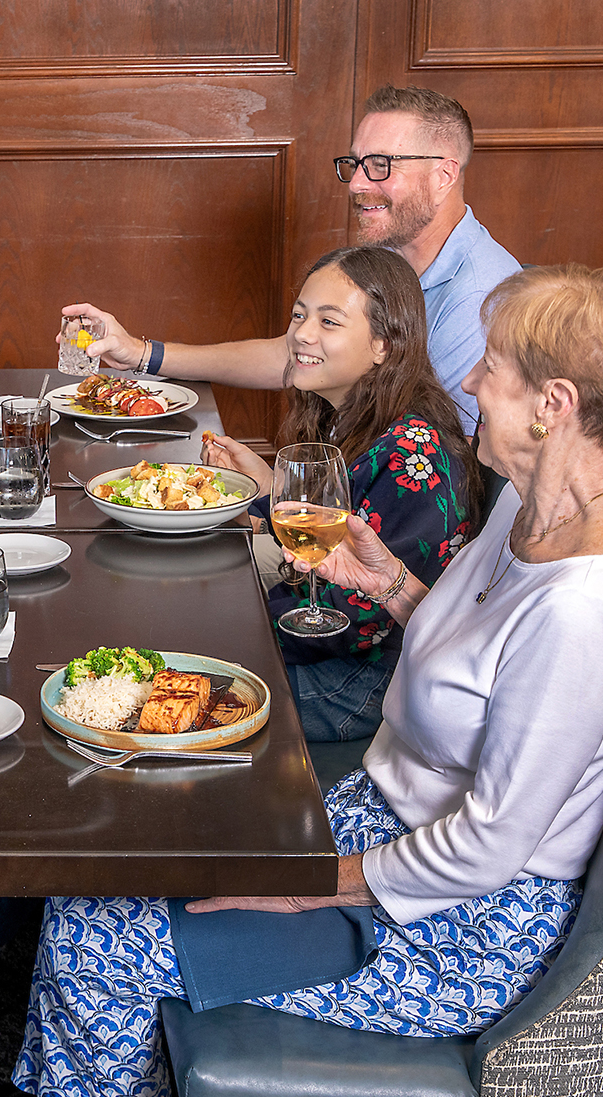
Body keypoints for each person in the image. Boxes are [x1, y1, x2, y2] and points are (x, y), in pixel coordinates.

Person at [13, 264, 603, 1097]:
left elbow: (489, 848)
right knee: (108, 867)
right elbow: (481, 670)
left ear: (553, 404)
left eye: (492, 367)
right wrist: (393, 586)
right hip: (382, 824)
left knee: (93, 931)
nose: (469, 381)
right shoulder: (534, 509)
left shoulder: (582, 610)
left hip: (450, 922)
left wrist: (308, 888)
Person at [66, 85, 521, 433]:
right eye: (356, 164)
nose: (356, 184)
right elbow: (293, 355)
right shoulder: (390, 251)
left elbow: (453, 462)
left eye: (381, 165)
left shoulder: (482, 296)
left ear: (444, 174)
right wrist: (141, 354)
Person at [200, 246, 478, 744]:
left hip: (362, 681)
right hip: (328, 642)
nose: (301, 334)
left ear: (384, 345)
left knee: (185, 685)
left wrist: (228, 628)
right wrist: (266, 492)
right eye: (299, 316)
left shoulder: (412, 456)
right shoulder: (347, 414)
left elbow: (355, 621)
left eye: (329, 322)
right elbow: (329, 542)